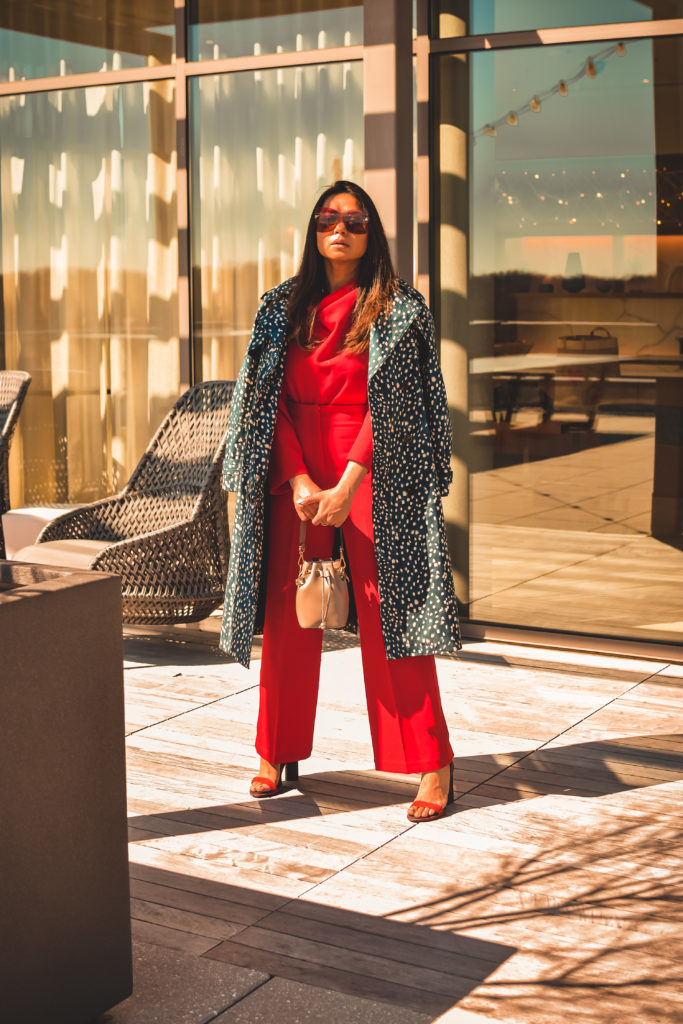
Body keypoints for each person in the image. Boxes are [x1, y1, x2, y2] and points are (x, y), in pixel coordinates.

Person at [220, 180, 461, 822]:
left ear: (371, 232)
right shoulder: (280, 305)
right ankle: (275, 750)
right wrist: (299, 480)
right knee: (286, 612)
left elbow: (401, 406)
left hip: (370, 465)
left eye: (355, 220)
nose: (340, 227)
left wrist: (349, 482)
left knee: (393, 613)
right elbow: (263, 402)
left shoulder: (399, 308)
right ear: (313, 228)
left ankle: (432, 762)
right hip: (295, 460)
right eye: (329, 217)